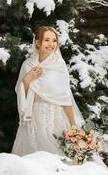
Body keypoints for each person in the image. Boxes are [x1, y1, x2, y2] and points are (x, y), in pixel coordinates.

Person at [11, 26, 107, 170]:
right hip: (32, 119)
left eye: (54, 40)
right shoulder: (28, 65)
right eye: (46, 40)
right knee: (32, 163)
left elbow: (65, 97)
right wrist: (27, 80)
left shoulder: (59, 65)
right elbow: (21, 92)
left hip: (55, 118)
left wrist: (73, 124)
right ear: (37, 42)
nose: (51, 44)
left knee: (59, 160)